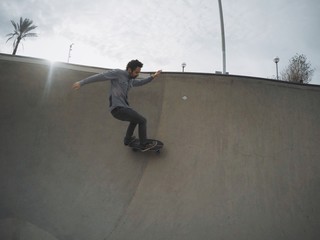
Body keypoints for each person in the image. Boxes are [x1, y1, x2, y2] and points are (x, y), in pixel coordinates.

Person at [72, 59, 162, 150]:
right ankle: (144, 144)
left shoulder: (131, 81)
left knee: (135, 120)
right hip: (118, 108)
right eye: (136, 72)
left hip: (123, 109)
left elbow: (141, 82)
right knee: (142, 121)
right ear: (129, 69)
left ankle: (128, 140)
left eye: (138, 73)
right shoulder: (118, 73)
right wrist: (81, 82)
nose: (137, 74)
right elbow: (100, 76)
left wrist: (153, 76)